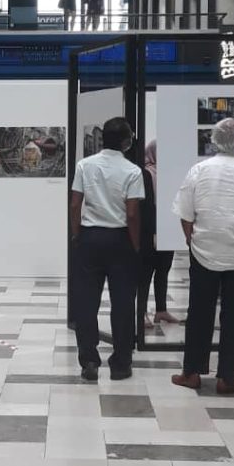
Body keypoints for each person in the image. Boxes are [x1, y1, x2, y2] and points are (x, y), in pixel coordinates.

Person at [170, 118, 234, 396]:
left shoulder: (199, 170)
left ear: (214, 139)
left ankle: (191, 372)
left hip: (204, 250)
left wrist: (191, 239)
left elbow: (185, 213)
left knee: (199, 312)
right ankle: (227, 378)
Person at [70, 117, 145, 381]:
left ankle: (89, 360)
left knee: (86, 302)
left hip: (90, 239)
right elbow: (133, 213)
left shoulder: (85, 165)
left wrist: (78, 235)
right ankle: (121, 363)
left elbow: (75, 204)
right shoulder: (133, 171)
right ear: (127, 142)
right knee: (123, 303)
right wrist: (135, 245)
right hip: (120, 239)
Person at [139, 141, 181, 329]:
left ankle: (161, 310)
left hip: (167, 227)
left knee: (163, 270)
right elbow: (147, 207)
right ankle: (141, 313)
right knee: (146, 273)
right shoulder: (146, 173)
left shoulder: (168, 173)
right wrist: (154, 232)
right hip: (151, 230)